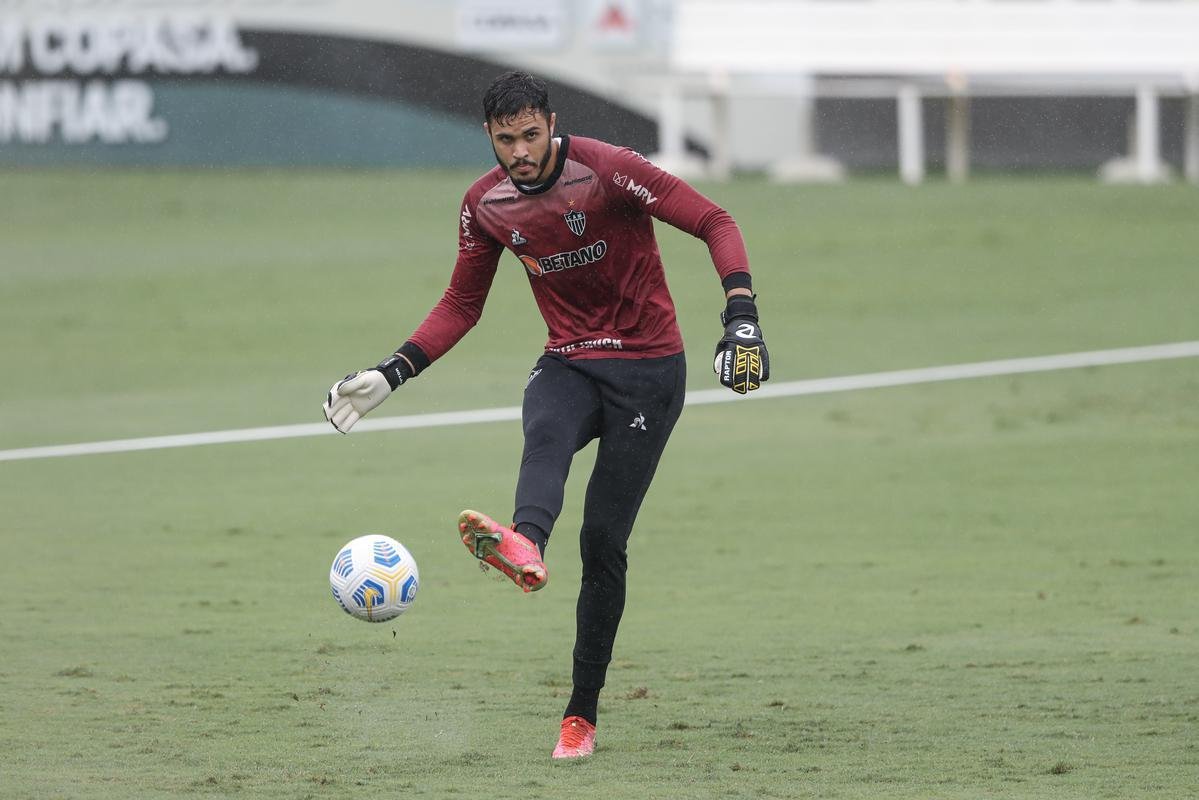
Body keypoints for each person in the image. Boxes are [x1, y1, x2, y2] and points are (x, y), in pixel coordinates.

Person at [322, 71, 769, 759]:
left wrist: (740, 315)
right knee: (546, 424)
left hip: (648, 372)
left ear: (550, 123)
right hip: (569, 358)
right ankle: (523, 542)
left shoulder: (608, 169)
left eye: (531, 136)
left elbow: (714, 221)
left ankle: (580, 716)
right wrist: (393, 370)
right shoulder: (486, 203)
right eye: (507, 141)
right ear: (489, 138)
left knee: (602, 543)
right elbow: (461, 304)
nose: (521, 152)